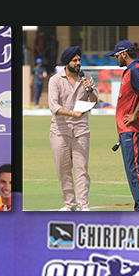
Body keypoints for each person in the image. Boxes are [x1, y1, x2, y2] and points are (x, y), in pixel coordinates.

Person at [108, 40, 139, 212]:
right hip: (127, 130)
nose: (115, 59)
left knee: (134, 169)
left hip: (133, 128)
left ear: (124, 54)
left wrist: (135, 114)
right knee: (132, 169)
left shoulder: (135, 70)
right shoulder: (130, 71)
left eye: (116, 56)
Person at [49, 46, 97, 211]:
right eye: (74, 60)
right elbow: (53, 106)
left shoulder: (87, 77)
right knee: (63, 171)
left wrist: (90, 90)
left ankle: (84, 205)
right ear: (66, 62)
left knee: (81, 169)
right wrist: (71, 114)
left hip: (81, 130)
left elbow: (95, 102)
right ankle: (70, 204)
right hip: (59, 131)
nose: (78, 63)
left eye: (79, 60)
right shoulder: (55, 80)